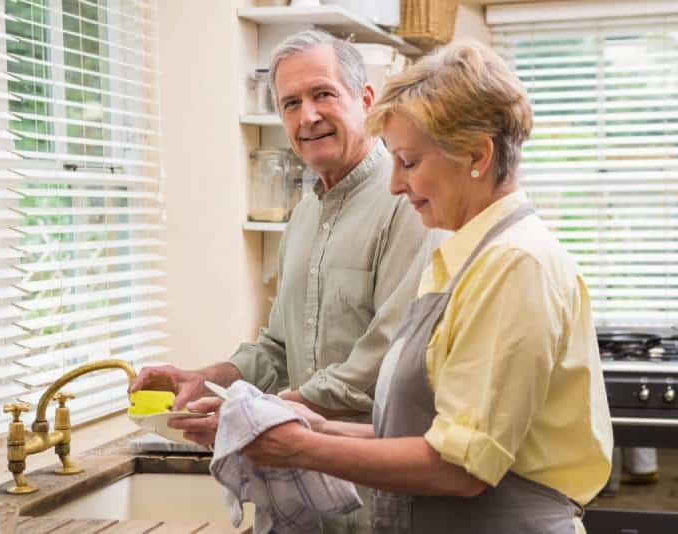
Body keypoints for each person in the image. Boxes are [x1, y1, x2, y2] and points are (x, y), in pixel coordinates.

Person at [241, 39, 614, 534]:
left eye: (410, 162)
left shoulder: (515, 266)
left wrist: (303, 448)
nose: (394, 184)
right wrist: (318, 426)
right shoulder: (464, 259)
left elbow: (461, 466)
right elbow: (434, 431)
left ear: (477, 156)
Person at [130, 30, 431, 533]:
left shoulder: (408, 202)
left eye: (322, 94)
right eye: (290, 103)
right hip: (303, 493)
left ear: (366, 99)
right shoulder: (305, 213)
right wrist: (206, 379)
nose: (306, 116)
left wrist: (251, 413)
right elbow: (276, 348)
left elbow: (384, 362)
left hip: (379, 492)